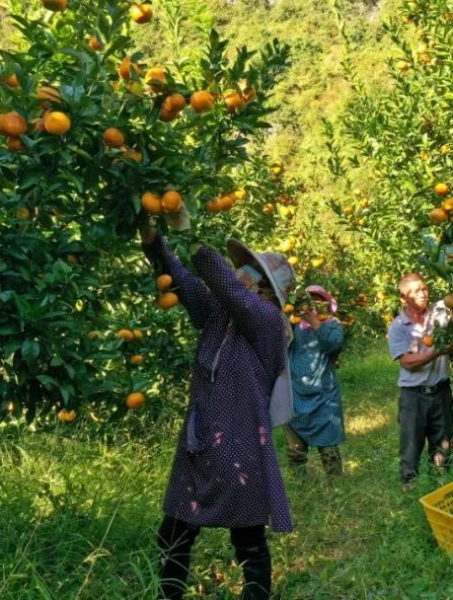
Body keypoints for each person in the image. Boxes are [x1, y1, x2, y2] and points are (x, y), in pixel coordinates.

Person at [140, 209, 295, 600]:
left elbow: (225, 286)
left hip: (240, 444)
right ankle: (167, 595)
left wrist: (189, 232)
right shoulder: (217, 315)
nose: (241, 274)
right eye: (242, 269)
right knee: (174, 533)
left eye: (252, 272)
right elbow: (185, 280)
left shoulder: (268, 322)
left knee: (248, 540)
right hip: (200, 441)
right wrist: (152, 239)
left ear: (266, 290)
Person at [386, 273, 453, 490]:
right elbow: (407, 362)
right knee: (411, 446)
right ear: (404, 297)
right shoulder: (398, 327)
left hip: (441, 390)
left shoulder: (440, 312)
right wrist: (437, 353)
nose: (422, 294)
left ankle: (441, 485)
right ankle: (409, 488)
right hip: (413, 395)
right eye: (415, 291)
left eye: (424, 288)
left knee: (443, 442)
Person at [283, 285, 346, 476]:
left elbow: (333, 344)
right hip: (295, 395)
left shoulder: (332, 325)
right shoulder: (292, 326)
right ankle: (300, 488)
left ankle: (336, 488)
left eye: (318, 301)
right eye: (308, 301)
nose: (312, 305)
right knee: (295, 450)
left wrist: (314, 321)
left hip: (325, 397)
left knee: (329, 450)